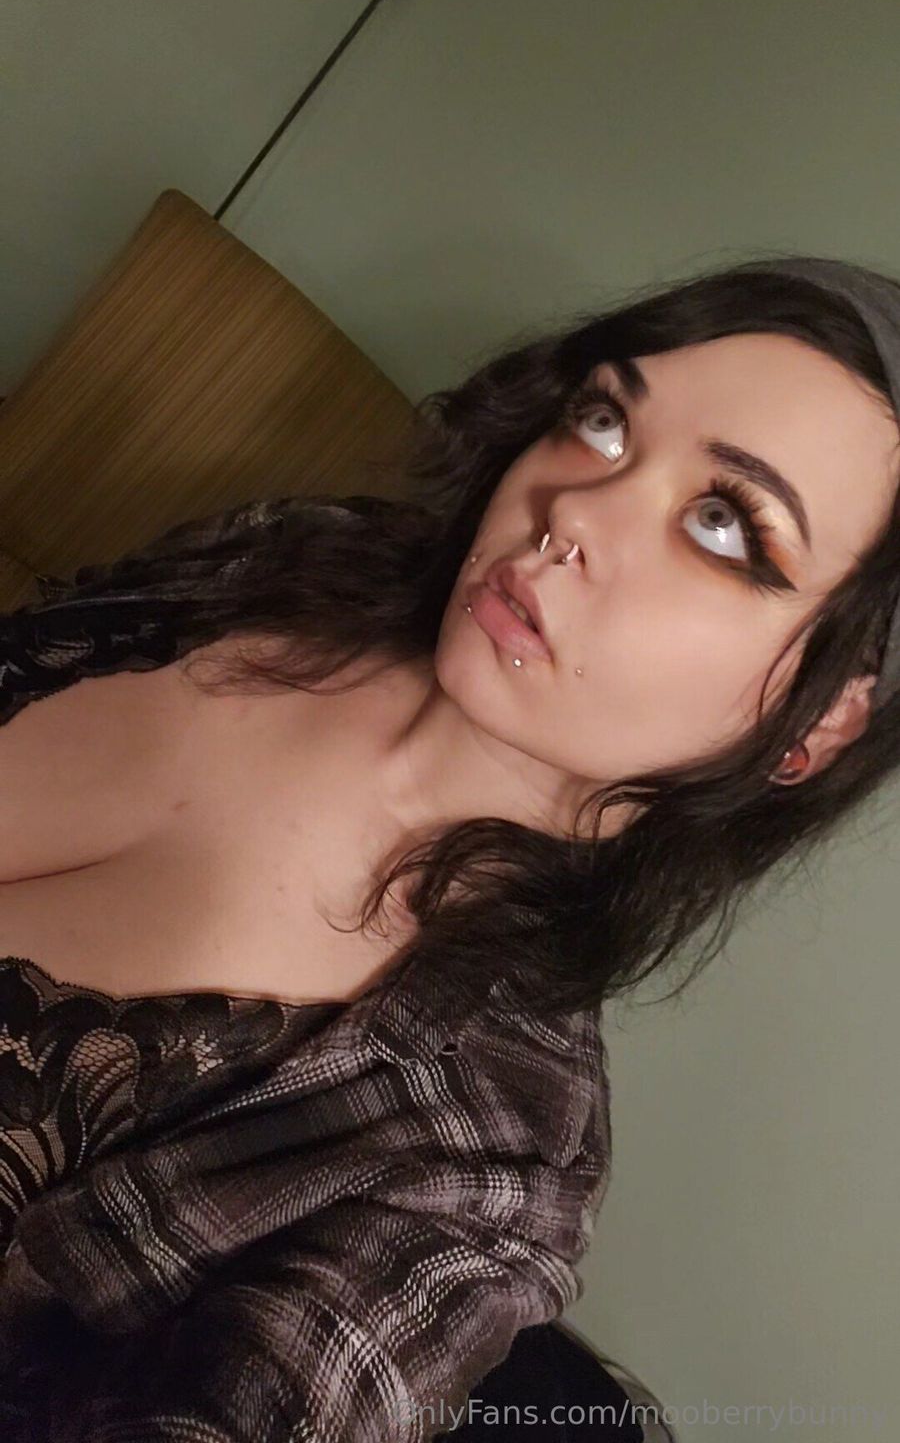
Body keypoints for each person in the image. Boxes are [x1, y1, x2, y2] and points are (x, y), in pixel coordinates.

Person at [0, 252, 898, 1439]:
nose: (574, 510)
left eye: (723, 523)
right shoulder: (303, 555)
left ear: (817, 720)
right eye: (604, 420)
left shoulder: (480, 1169)